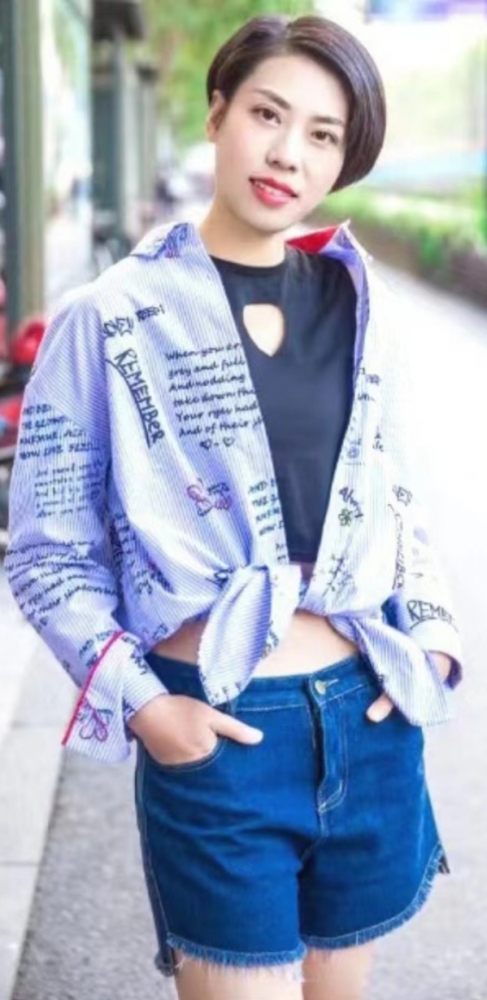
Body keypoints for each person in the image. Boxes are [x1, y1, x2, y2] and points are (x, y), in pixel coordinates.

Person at [5, 14, 462, 1000]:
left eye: (323, 134)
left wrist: (429, 645)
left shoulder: (359, 304)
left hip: (369, 717)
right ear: (216, 114)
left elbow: (396, 499)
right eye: (267, 114)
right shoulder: (110, 318)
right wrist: (146, 707)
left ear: (342, 158)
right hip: (217, 730)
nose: (288, 152)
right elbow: (45, 552)